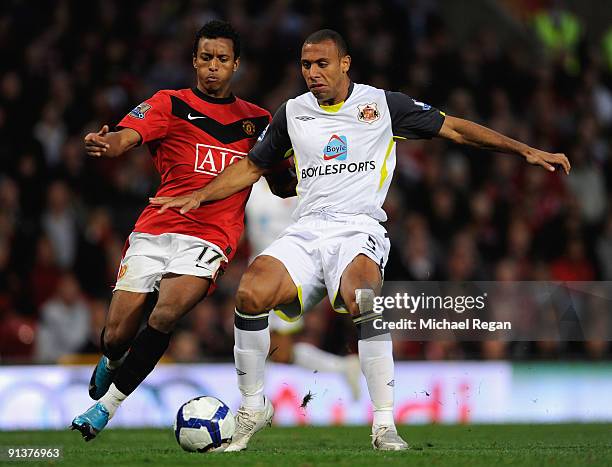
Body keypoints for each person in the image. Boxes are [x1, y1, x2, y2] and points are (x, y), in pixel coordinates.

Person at [151, 29, 570, 451]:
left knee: (363, 298)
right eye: (306, 65)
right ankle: (252, 406)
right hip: (307, 228)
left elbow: (456, 129)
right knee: (249, 293)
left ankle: (384, 424)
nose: (312, 73)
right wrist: (200, 194)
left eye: (322, 64)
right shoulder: (292, 113)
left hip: (358, 227)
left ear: (344, 64)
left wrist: (525, 151)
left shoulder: (383, 105)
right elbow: (252, 167)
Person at [71, 20, 271, 441]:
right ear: (193, 61)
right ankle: (112, 357)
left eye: (221, 59)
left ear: (237, 64)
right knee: (115, 334)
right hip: (158, 226)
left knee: (165, 313)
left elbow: (279, 175)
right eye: (205, 58)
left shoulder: (259, 120)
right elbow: (128, 136)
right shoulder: (170, 103)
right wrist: (109, 144)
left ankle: (104, 409)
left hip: (212, 235)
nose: (212, 66)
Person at [246, 178, 361, 399]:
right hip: (258, 275)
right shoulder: (253, 187)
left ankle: (256, 403)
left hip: (287, 276)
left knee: (268, 345)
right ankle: (342, 367)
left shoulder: (305, 188)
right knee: (274, 350)